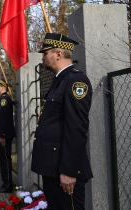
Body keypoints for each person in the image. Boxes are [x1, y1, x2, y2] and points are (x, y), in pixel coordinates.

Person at [31, 33, 93, 210]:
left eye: (45, 53)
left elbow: (76, 128)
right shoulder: (60, 80)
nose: (43, 57)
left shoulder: (76, 81)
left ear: (58, 54)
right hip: (53, 167)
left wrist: (69, 171)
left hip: (64, 171)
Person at [0, 80, 16, 193]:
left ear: (3, 87)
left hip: (4, 135)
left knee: (5, 160)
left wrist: (2, 135)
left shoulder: (4, 100)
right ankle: (6, 183)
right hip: (3, 134)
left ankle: (7, 185)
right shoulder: (2, 99)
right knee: (4, 160)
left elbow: (4, 119)